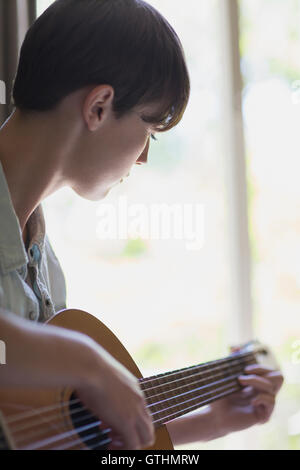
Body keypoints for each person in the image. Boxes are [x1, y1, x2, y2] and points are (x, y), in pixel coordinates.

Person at [0, 0, 283, 450]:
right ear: (98, 106)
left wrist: (211, 422)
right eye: (149, 129)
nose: (145, 156)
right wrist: (87, 363)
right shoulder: (75, 344)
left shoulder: (44, 266)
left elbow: (49, 435)